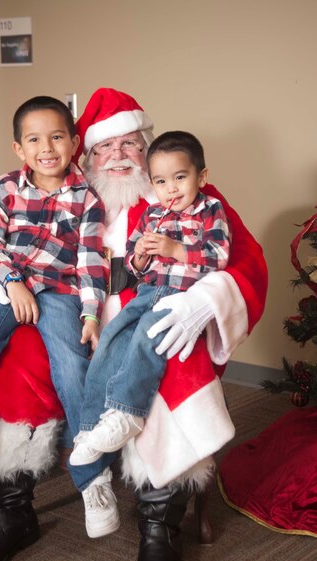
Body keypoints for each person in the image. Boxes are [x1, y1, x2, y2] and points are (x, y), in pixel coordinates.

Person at [0, 88, 268, 561]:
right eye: (104, 149)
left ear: (149, 151)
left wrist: (207, 299)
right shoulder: (68, 197)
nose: (118, 157)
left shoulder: (181, 193)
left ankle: (159, 522)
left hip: (149, 312)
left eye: (131, 145)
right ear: (84, 155)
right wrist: (1, 281)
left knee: (170, 362)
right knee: (13, 356)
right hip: (71, 308)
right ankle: (11, 510)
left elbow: (243, 258)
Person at [0, 96, 114, 535]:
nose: (47, 147)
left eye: (57, 136)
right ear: (19, 148)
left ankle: (93, 479)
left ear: (74, 143)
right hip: (9, 287)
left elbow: (91, 263)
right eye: (34, 139)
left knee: (73, 365)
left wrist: (91, 315)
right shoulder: (1, 188)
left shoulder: (87, 200)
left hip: (59, 292)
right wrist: (11, 282)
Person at [70, 131, 231, 466]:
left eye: (180, 178)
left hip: (179, 297)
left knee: (146, 336)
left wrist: (177, 250)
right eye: (160, 181)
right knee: (112, 339)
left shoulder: (209, 208)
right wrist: (140, 255)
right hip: (148, 291)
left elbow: (219, 255)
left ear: (201, 177)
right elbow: (132, 263)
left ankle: (128, 413)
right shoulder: (153, 213)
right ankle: (88, 428)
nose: (170, 188)